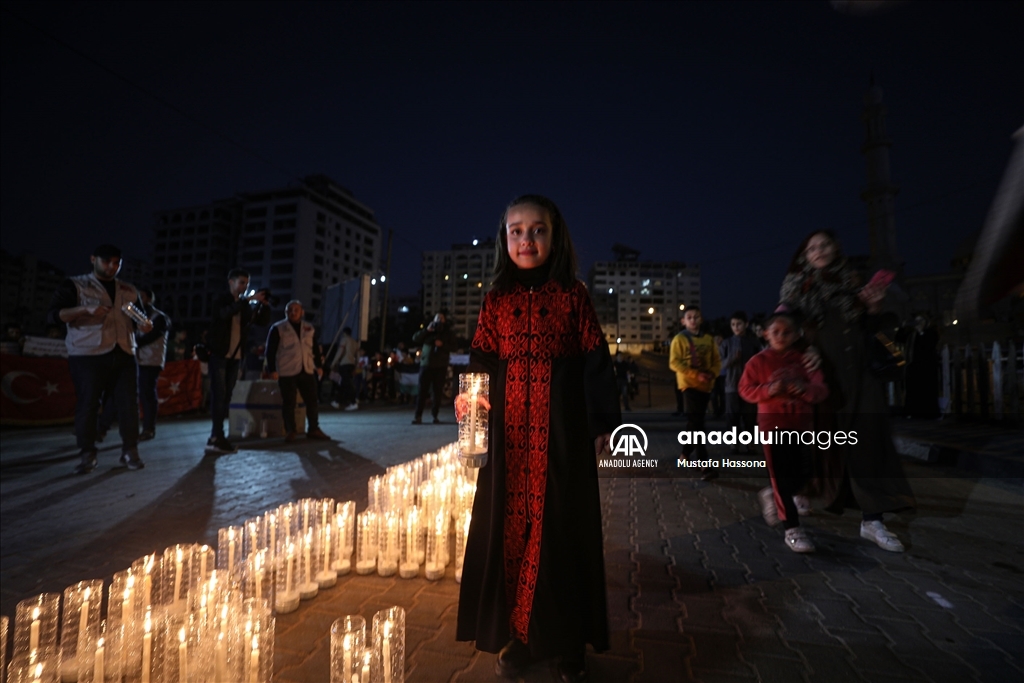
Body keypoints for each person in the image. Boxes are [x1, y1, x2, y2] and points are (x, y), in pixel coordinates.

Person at [456, 195, 620, 683]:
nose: (526, 240)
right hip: (508, 448)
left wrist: (603, 425)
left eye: (538, 230)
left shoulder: (573, 295)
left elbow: (596, 362)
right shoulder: (496, 300)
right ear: (504, 239)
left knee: (561, 539)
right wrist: (470, 402)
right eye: (516, 231)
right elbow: (481, 361)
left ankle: (568, 643)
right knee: (513, 539)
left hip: (560, 446)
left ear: (556, 235)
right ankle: (523, 637)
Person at [780, 229, 915, 552]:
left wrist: (873, 308)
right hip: (818, 375)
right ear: (804, 255)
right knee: (817, 440)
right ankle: (805, 490)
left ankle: (873, 520)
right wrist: (802, 349)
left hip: (859, 375)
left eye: (825, 244)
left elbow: (871, 330)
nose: (819, 250)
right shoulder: (796, 286)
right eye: (812, 247)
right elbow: (783, 329)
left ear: (836, 248)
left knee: (867, 443)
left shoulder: (853, 282)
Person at [47, 244, 150, 473]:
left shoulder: (128, 288)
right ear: (93, 259)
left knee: (129, 405)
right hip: (87, 354)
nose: (111, 267)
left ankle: (130, 450)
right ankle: (87, 453)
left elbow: (140, 320)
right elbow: (55, 315)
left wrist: (145, 325)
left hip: (123, 352)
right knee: (88, 404)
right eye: (106, 262)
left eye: (116, 263)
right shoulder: (76, 285)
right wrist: (85, 310)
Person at [739, 308, 829, 553]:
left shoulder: (805, 360)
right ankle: (792, 529)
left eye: (787, 332)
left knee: (804, 473)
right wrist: (768, 390)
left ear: (796, 334)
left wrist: (805, 389)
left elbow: (821, 390)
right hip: (772, 425)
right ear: (765, 333)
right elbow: (745, 390)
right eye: (775, 332)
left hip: (800, 424)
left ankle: (772, 493)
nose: (781, 336)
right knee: (780, 476)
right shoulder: (758, 362)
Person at [206, 268, 271, 453]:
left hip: (236, 356)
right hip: (220, 354)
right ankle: (217, 437)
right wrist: (248, 300)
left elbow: (260, 321)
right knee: (219, 395)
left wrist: (264, 305)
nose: (244, 286)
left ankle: (216, 436)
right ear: (231, 282)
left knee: (226, 397)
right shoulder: (221, 299)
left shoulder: (243, 305)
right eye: (241, 282)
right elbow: (223, 314)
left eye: (247, 284)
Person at [266, 300, 330, 442]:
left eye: (296, 310)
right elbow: (270, 351)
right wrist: (272, 370)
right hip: (287, 370)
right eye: (290, 310)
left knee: (312, 401)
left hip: (306, 369)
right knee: (289, 402)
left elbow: (314, 348)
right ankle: (291, 431)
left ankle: (314, 428)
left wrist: (319, 366)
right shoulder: (278, 328)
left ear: (302, 312)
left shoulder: (309, 328)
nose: (293, 312)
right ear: (286, 312)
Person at [669, 306, 721, 480]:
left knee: (694, 423)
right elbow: (674, 362)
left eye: (696, 317)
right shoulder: (679, 339)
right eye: (689, 317)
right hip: (689, 385)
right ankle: (704, 464)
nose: (693, 320)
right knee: (698, 423)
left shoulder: (708, 339)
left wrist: (713, 373)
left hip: (705, 386)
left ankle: (684, 454)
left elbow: (716, 360)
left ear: (701, 319)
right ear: (683, 321)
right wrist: (695, 374)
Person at [720, 311, 761, 454]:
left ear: (746, 324)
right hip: (731, 386)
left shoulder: (753, 342)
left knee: (749, 416)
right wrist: (732, 359)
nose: (736, 327)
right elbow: (720, 364)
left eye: (739, 324)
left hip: (750, 386)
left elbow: (760, 362)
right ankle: (734, 444)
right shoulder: (726, 343)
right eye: (733, 324)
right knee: (732, 416)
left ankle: (750, 444)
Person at [135, 288, 171, 441]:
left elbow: (149, 337)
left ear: (149, 299)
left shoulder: (160, 318)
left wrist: (131, 343)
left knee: (147, 394)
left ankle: (149, 428)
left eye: (141, 297)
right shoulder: (135, 316)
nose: (137, 300)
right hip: (136, 360)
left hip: (151, 361)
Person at [411, 312, 456, 424]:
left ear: (444, 321)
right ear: (433, 320)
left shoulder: (447, 333)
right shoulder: (428, 331)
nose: (439, 320)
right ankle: (418, 416)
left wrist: (443, 345)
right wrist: (427, 330)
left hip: (440, 365)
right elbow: (415, 338)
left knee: (437, 392)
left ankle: (435, 415)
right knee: (422, 391)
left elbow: (454, 346)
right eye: (437, 318)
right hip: (426, 364)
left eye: (442, 318)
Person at [330, 327, 360, 410]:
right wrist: (356, 366)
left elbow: (340, 351)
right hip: (351, 364)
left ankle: (353, 402)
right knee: (344, 383)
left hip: (344, 364)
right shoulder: (355, 342)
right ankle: (337, 401)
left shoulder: (344, 340)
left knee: (347, 383)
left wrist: (334, 362)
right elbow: (357, 356)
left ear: (344, 333)